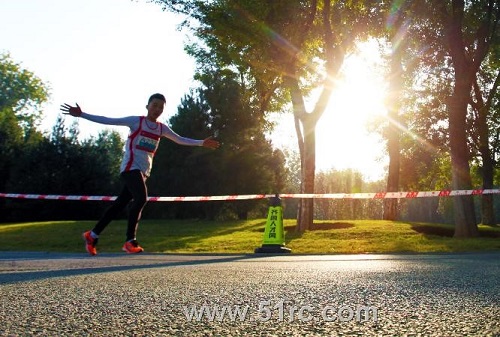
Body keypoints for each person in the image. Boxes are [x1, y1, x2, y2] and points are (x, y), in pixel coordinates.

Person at [60, 93, 220, 255]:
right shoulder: (136, 122)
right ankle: (130, 241)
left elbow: (179, 139)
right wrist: (82, 114)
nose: (157, 109)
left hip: (143, 172)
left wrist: (201, 143)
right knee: (141, 198)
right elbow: (109, 120)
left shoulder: (161, 128)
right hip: (130, 168)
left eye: (160, 107)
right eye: (154, 105)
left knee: (119, 205)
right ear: (147, 106)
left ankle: (92, 235)